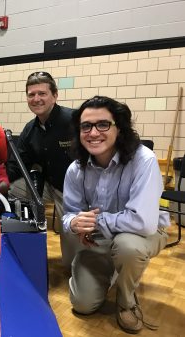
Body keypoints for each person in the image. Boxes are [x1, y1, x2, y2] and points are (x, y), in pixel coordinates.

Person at [62, 96, 169, 334]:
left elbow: (142, 222)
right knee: (82, 305)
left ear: (119, 128)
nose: (93, 132)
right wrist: (76, 223)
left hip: (144, 233)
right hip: (99, 239)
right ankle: (109, 272)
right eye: (86, 126)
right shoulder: (76, 169)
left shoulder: (144, 160)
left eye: (103, 124)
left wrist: (95, 222)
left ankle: (126, 301)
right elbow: (68, 214)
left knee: (128, 246)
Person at [6, 71, 78, 267]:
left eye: (42, 93)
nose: (36, 99)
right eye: (31, 94)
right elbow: (18, 161)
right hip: (49, 185)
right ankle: (27, 237)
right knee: (14, 189)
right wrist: (0, 183)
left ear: (55, 95)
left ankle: (79, 265)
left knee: (71, 260)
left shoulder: (74, 120)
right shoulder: (30, 129)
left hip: (74, 192)